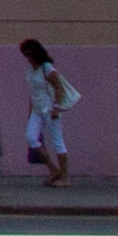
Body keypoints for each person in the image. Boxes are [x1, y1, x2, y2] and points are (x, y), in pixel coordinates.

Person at [19, 38, 81, 188]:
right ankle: (53, 170)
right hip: (37, 109)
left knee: (58, 142)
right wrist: (31, 109)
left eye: (29, 54)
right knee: (31, 137)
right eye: (25, 54)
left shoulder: (47, 68)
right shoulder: (30, 69)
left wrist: (57, 107)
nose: (27, 57)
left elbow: (59, 88)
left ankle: (65, 177)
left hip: (50, 109)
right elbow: (32, 92)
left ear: (36, 53)